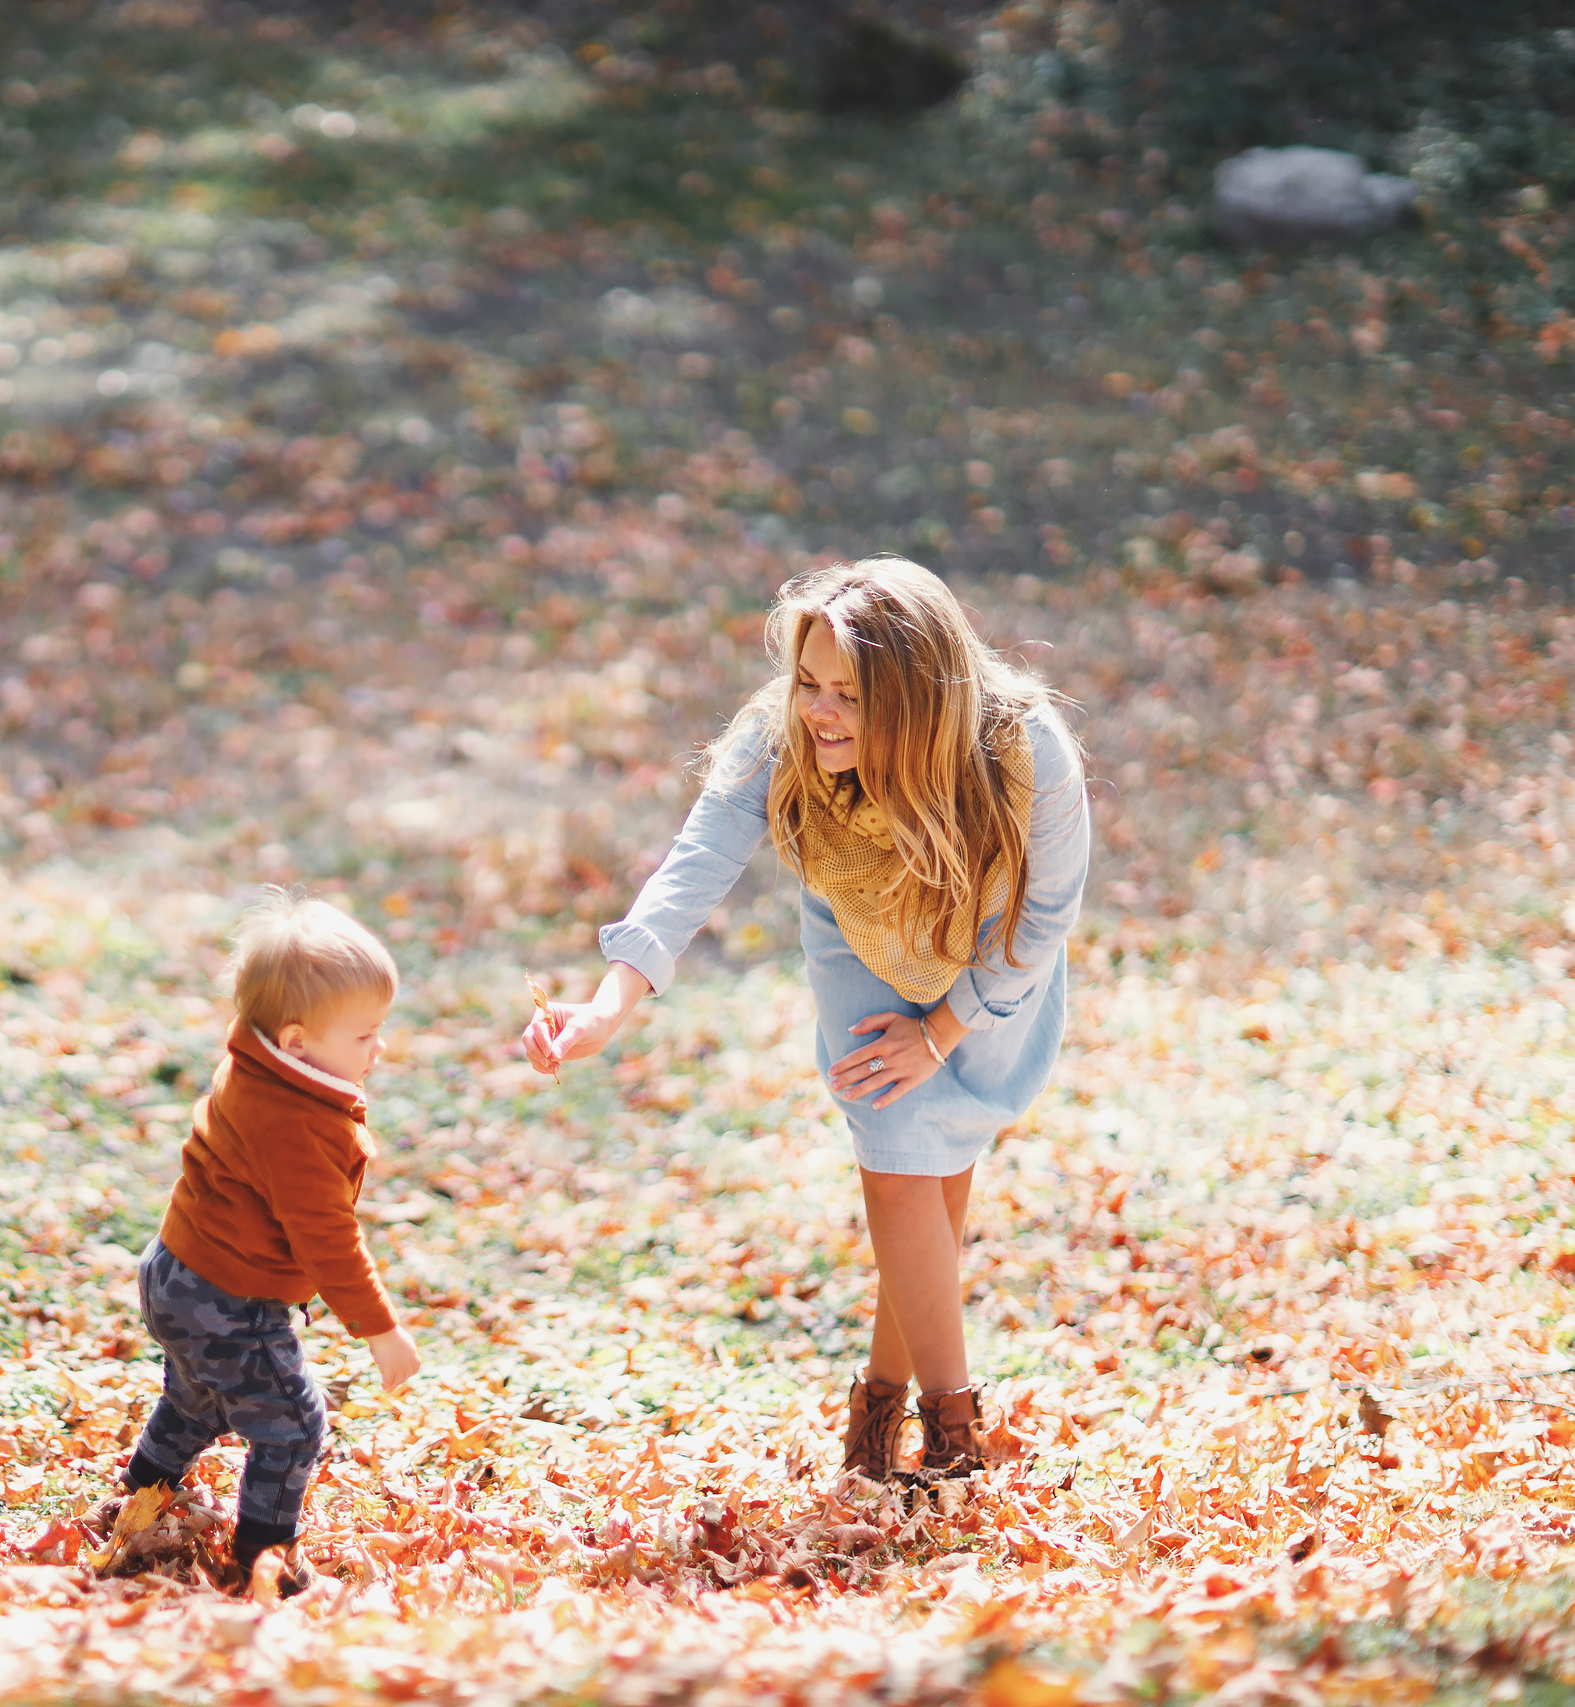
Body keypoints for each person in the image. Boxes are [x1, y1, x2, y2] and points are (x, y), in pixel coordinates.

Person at [523, 556, 1088, 1484]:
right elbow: (697, 859)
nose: (819, 710)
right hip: (853, 932)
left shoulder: (1026, 748)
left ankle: (875, 1415)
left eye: (849, 695)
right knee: (900, 1156)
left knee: (939, 1165)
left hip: (989, 947)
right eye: (810, 683)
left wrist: (945, 1029)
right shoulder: (781, 734)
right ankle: (953, 1444)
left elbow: (1045, 915)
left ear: (915, 698)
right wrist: (608, 1003)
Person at [116, 890, 421, 1593]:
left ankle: (143, 1486)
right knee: (292, 1422)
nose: (380, 1047)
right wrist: (380, 1328)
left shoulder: (253, 1064)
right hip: (229, 1298)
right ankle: (264, 1559)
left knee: (197, 1397)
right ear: (296, 1041)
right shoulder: (299, 1128)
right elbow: (327, 1237)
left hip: (174, 1272)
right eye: (365, 1035)